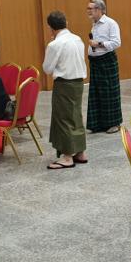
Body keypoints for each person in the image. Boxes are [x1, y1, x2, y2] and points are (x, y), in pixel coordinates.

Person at [43, 10, 88, 169]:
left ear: (51, 28)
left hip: (64, 83)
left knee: (63, 118)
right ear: (66, 23)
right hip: (78, 82)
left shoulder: (55, 44)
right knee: (75, 115)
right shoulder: (77, 39)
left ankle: (67, 157)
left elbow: (47, 68)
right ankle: (80, 152)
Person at [86, 0, 122, 134]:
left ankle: (114, 123)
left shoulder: (110, 23)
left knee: (109, 92)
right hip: (95, 63)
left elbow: (116, 43)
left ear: (99, 10)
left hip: (106, 61)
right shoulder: (94, 24)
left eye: (91, 8)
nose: (88, 11)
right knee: (96, 92)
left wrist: (99, 44)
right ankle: (98, 123)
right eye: (88, 8)